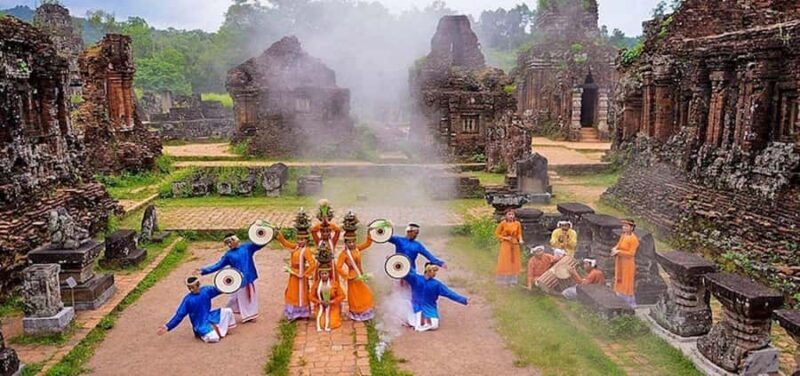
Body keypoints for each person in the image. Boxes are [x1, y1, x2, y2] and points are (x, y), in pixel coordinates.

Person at [196, 232, 265, 322]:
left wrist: (266, 235)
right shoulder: (228, 255)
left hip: (250, 277)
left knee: (250, 297)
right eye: (227, 243)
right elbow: (218, 265)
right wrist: (204, 270)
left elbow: (259, 244)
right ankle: (230, 311)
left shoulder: (247, 247)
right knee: (236, 297)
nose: (229, 244)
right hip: (237, 279)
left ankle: (250, 315)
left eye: (231, 241)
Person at [157, 276, 236, 343]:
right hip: (199, 324)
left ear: (198, 285)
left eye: (192, 287)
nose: (191, 290)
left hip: (209, 316)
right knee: (215, 338)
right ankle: (201, 334)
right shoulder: (187, 300)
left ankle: (222, 329)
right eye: (189, 288)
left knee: (228, 311)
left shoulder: (206, 290)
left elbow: (219, 289)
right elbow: (179, 315)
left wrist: (230, 283)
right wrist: (168, 326)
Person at [275, 210, 317, 321]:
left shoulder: (306, 250)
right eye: (298, 239)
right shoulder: (296, 247)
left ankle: (302, 312)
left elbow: (313, 264)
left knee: (301, 293)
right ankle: (293, 312)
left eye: (302, 239)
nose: (300, 241)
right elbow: (285, 243)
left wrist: (305, 273)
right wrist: (279, 235)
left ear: (306, 240)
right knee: (292, 292)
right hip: (293, 274)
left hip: (300, 274)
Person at [403, 263, 469, 332]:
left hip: (429, 308)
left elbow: (449, 293)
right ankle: (413, 322)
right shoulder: (416, 278)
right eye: (433, 271)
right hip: (415, 307)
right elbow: (403, 273)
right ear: (427, 270)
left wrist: (464, 300)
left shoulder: (436, 284)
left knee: (434, 325)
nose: (434, 273)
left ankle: (419, 325)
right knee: (406, 307)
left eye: (435, 271)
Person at [335, 211, 375, 321]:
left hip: (360, 274)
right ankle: (356, 312)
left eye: (353, 241)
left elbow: (367, 243)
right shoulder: (344, 254)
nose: (351, 244)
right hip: (352, 277)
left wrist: (369, 233)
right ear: (346, 242)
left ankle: (365, 311)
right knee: (355, 296)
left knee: (365, 293)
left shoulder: (357, 248)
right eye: (349, 242)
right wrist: (346, 276)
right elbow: (338, 267)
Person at [310, 242, 345, 332]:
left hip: (332, 306)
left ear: (329, 274)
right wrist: (319, 301)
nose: (324, 275)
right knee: (321, 323)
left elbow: (342, 296)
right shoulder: (317, 284)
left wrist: (332, 301)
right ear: (320, 274)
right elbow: (311, 296)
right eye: (322, 274)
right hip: (321, 305)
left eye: (326, 273)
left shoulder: (334, 283)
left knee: (332, 323)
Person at [612, 219, 640, 308]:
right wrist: (615, 249)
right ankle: (619, 297)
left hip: (628, 263)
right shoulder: (623, 235)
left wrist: (618, 252)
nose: (624, 228)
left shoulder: (634, 239)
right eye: (623, 226)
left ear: (631, 228)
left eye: (626, 226)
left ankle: (629, 303)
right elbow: (618, 245)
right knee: (619, 278)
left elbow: (631, 253)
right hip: (620, 261)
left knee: (627, 281)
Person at [494, 209, 524, 286]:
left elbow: (519, 234)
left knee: (514, 261)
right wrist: (506, 238)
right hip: (506, 244)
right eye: (509, 214)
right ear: (506, 216)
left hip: (514, 244)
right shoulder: (502, 224)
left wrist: (520, 239)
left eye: (512, 214)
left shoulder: (517, 223)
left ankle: (513, 281)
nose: (511, 216)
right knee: (505, 261)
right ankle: (503, 281)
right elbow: (497, 234)